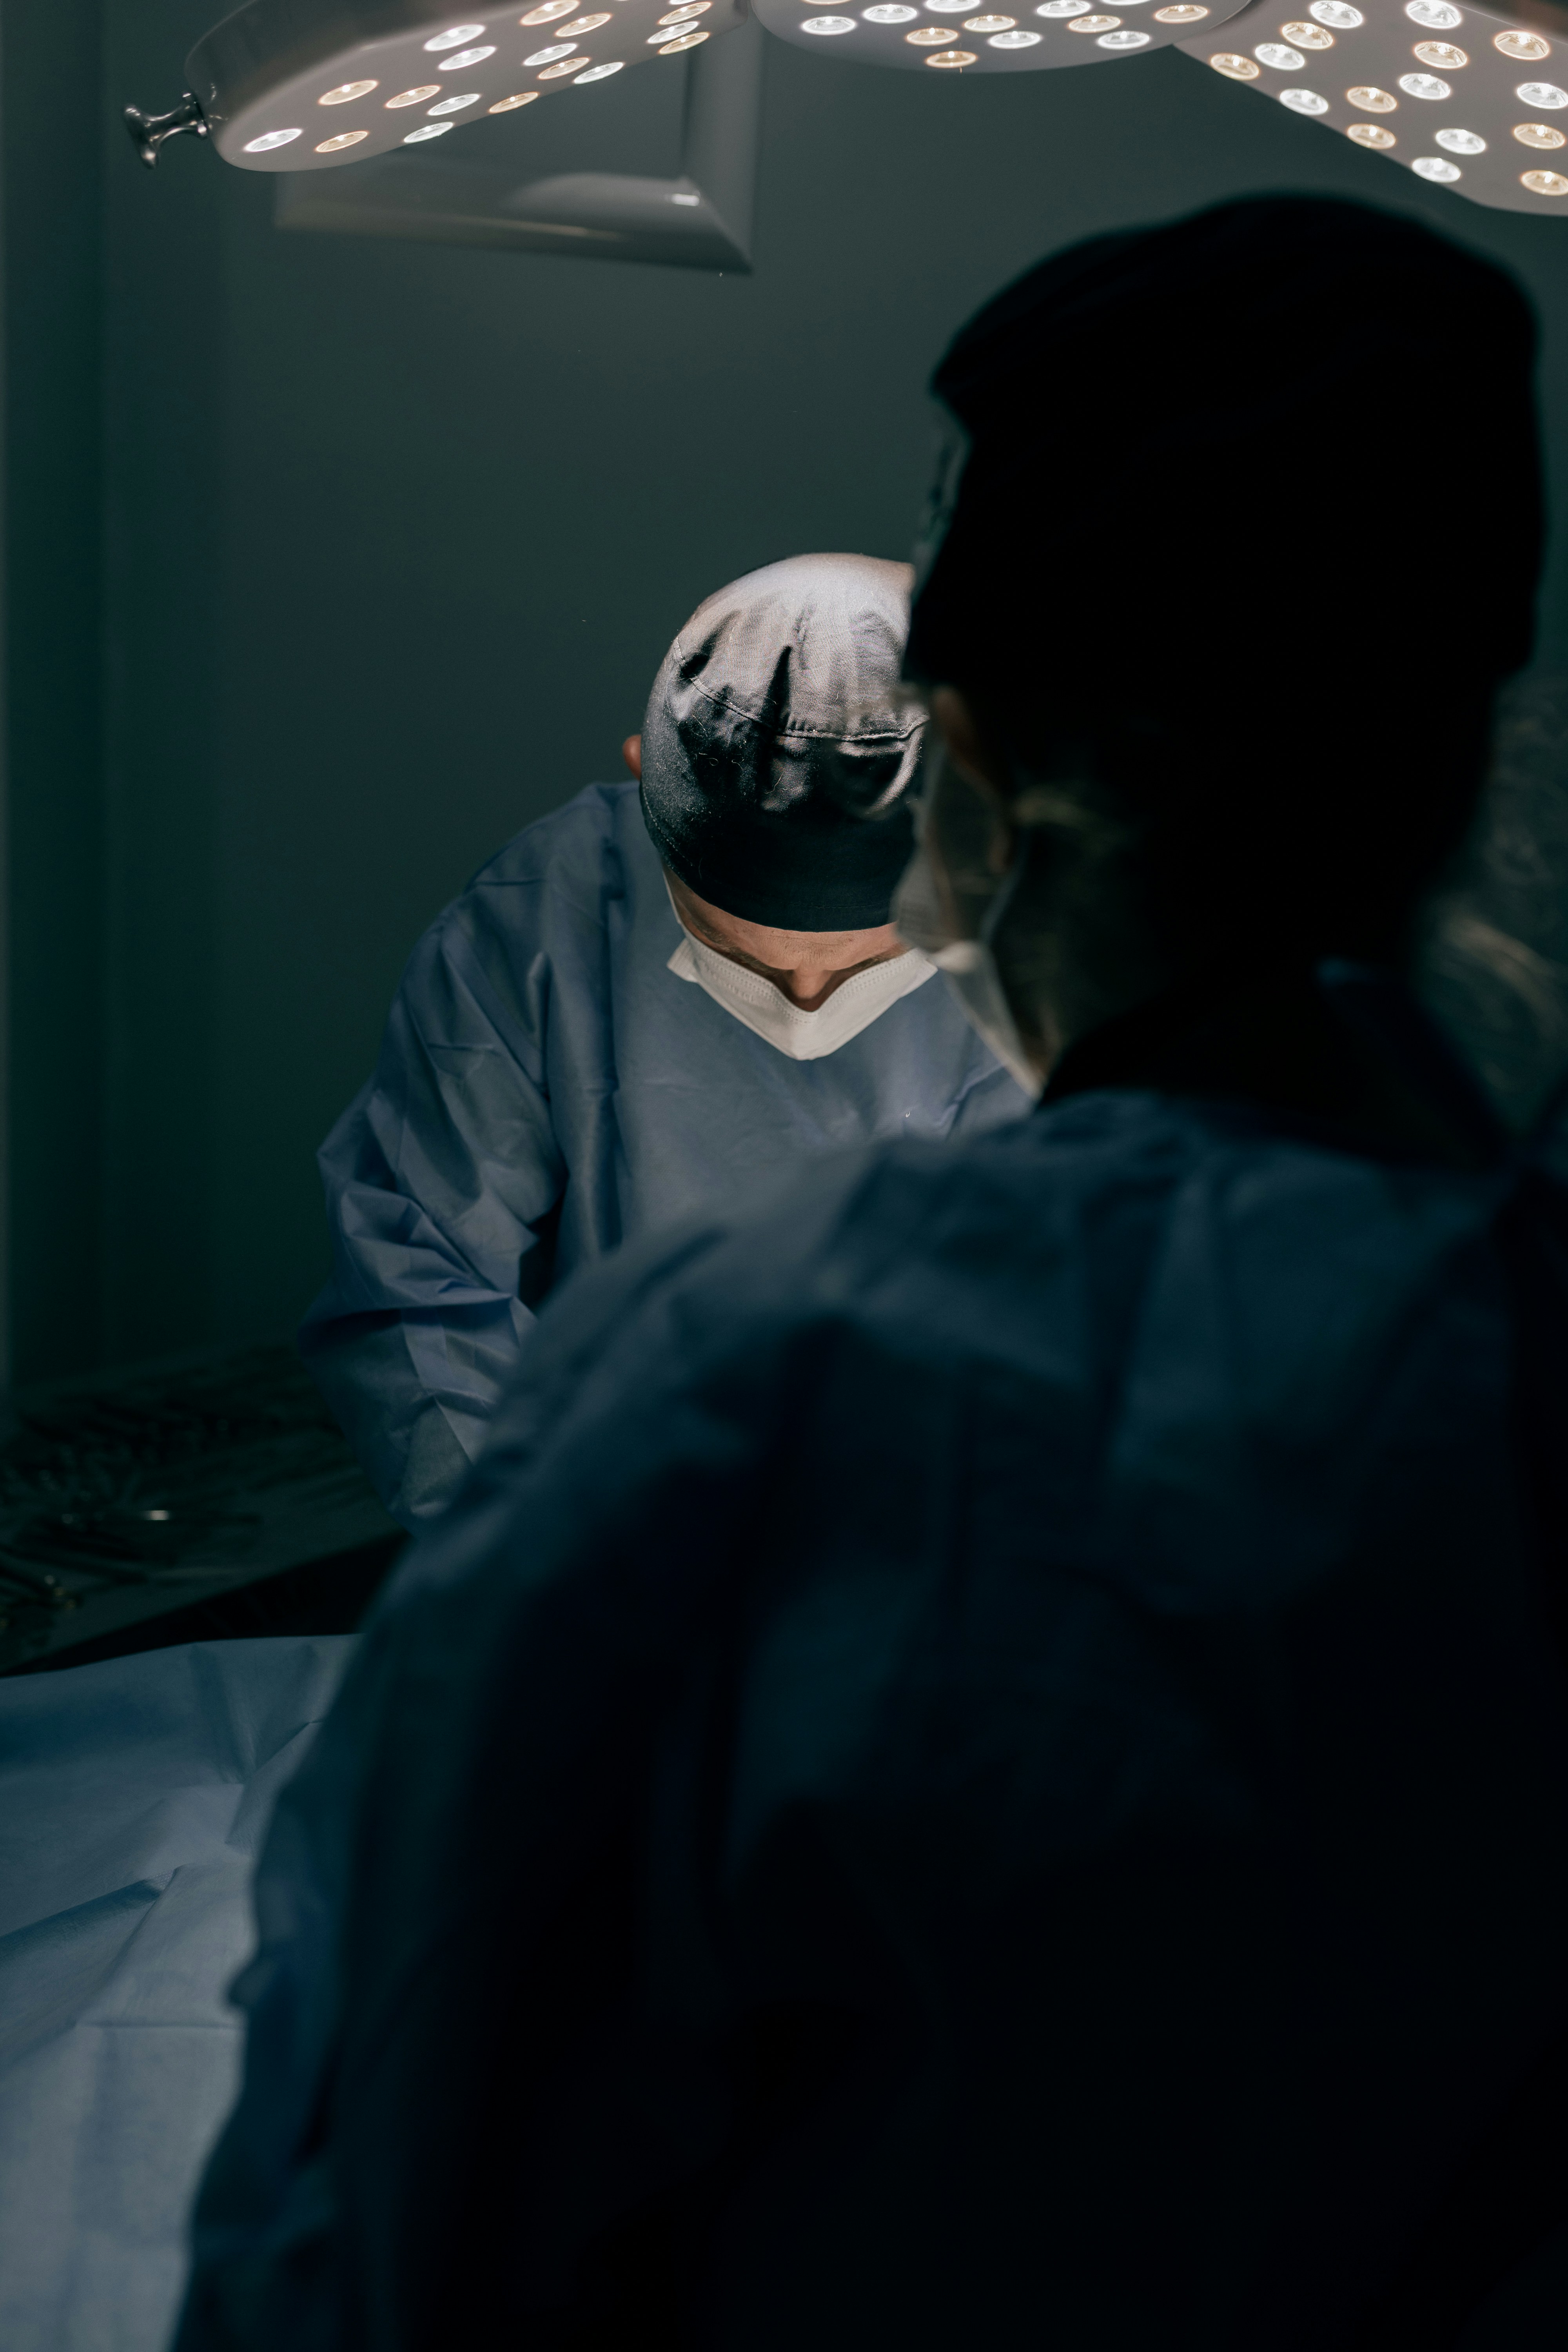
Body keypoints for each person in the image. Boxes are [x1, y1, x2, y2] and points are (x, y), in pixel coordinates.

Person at [178, 197, 1568, 2350]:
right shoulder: (1506, 1374)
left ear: (976, 785)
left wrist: (544, 1562)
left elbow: (384, 2210)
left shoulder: (744, 1385)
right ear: (1457, 768)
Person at [301, 553, 1024, 1527]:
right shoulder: (539, 925)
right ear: (644, 777)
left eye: (867, 966)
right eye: (740, 953)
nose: (805, 1008)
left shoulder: (1062, 947)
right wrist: (521, 1556)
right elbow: (418, 1282)